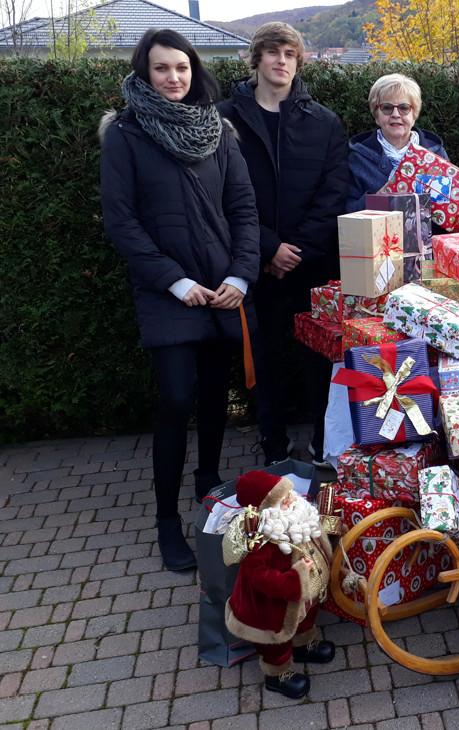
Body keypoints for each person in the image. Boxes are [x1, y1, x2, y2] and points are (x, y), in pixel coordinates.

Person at [100, 28, 260, 571]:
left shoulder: (219, 130)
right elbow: (122, 222)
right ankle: (167, 519)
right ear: (144, 73)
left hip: (220, 289)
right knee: (174, 399)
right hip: (168, 291)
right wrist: (172, 280)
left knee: (216, 394)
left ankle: (208, 482)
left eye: (182, 68)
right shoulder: (125, 134)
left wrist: (240, 277)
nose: (174, 77)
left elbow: (243, 208)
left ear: (195, 71)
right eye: (162, 68)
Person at [218, 22, 351, 467]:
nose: (281, 61)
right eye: (273, 52)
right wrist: (268, 248)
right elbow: (221, 194)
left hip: (311, 265)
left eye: (290, 54)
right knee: (265, 359)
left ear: (298, 61)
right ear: (256, 59)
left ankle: (319, 441)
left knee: (318, 360)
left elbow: (334, 192)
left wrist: (294, 248)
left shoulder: (324, 122)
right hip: (254, 264)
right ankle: (272, 442)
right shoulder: (224, 120)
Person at [225, 470, 335, 699]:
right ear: (265, 509)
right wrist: (294, 579)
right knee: (276, 641)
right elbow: (259, 578)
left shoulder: (300, 516)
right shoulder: (261, 540)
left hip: (307, 593)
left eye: (288, 492)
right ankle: (277, 674)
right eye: (281, 498)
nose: (290, 499)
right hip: (274, 606)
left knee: (306, 617)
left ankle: (304, 645)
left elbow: (316, 532)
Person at [346, 73, 449, 212]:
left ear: (414, 114)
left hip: (427, 234)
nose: (395, 114)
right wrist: (379, 199)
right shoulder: (357, 157)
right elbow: (346, 212)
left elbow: (447, 211)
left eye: (404, 108)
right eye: (387, 108)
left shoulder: (435, 153)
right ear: (376, 115)